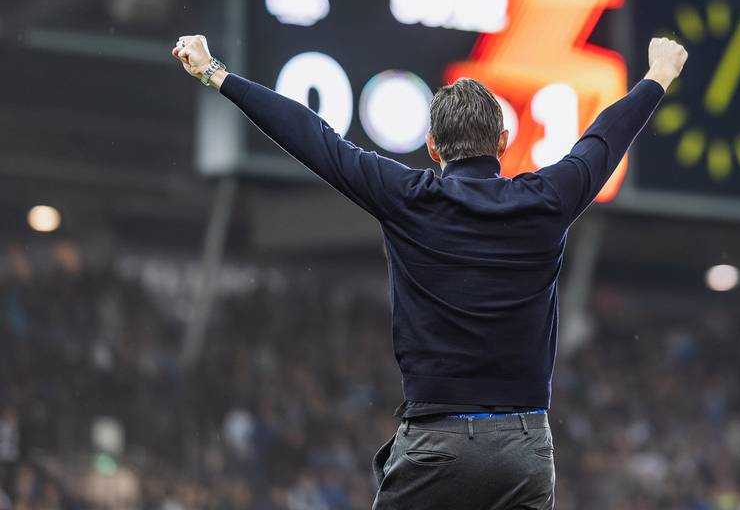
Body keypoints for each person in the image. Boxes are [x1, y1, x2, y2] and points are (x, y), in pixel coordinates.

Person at [171, 34, 687, 509]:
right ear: (503, 140)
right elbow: (603, 140)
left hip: (434, 445)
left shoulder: (407, 198)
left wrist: (216, 72)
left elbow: (314, 137)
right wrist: (657, 74)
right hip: (524, 449)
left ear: (433, 147)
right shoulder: (548, 200)